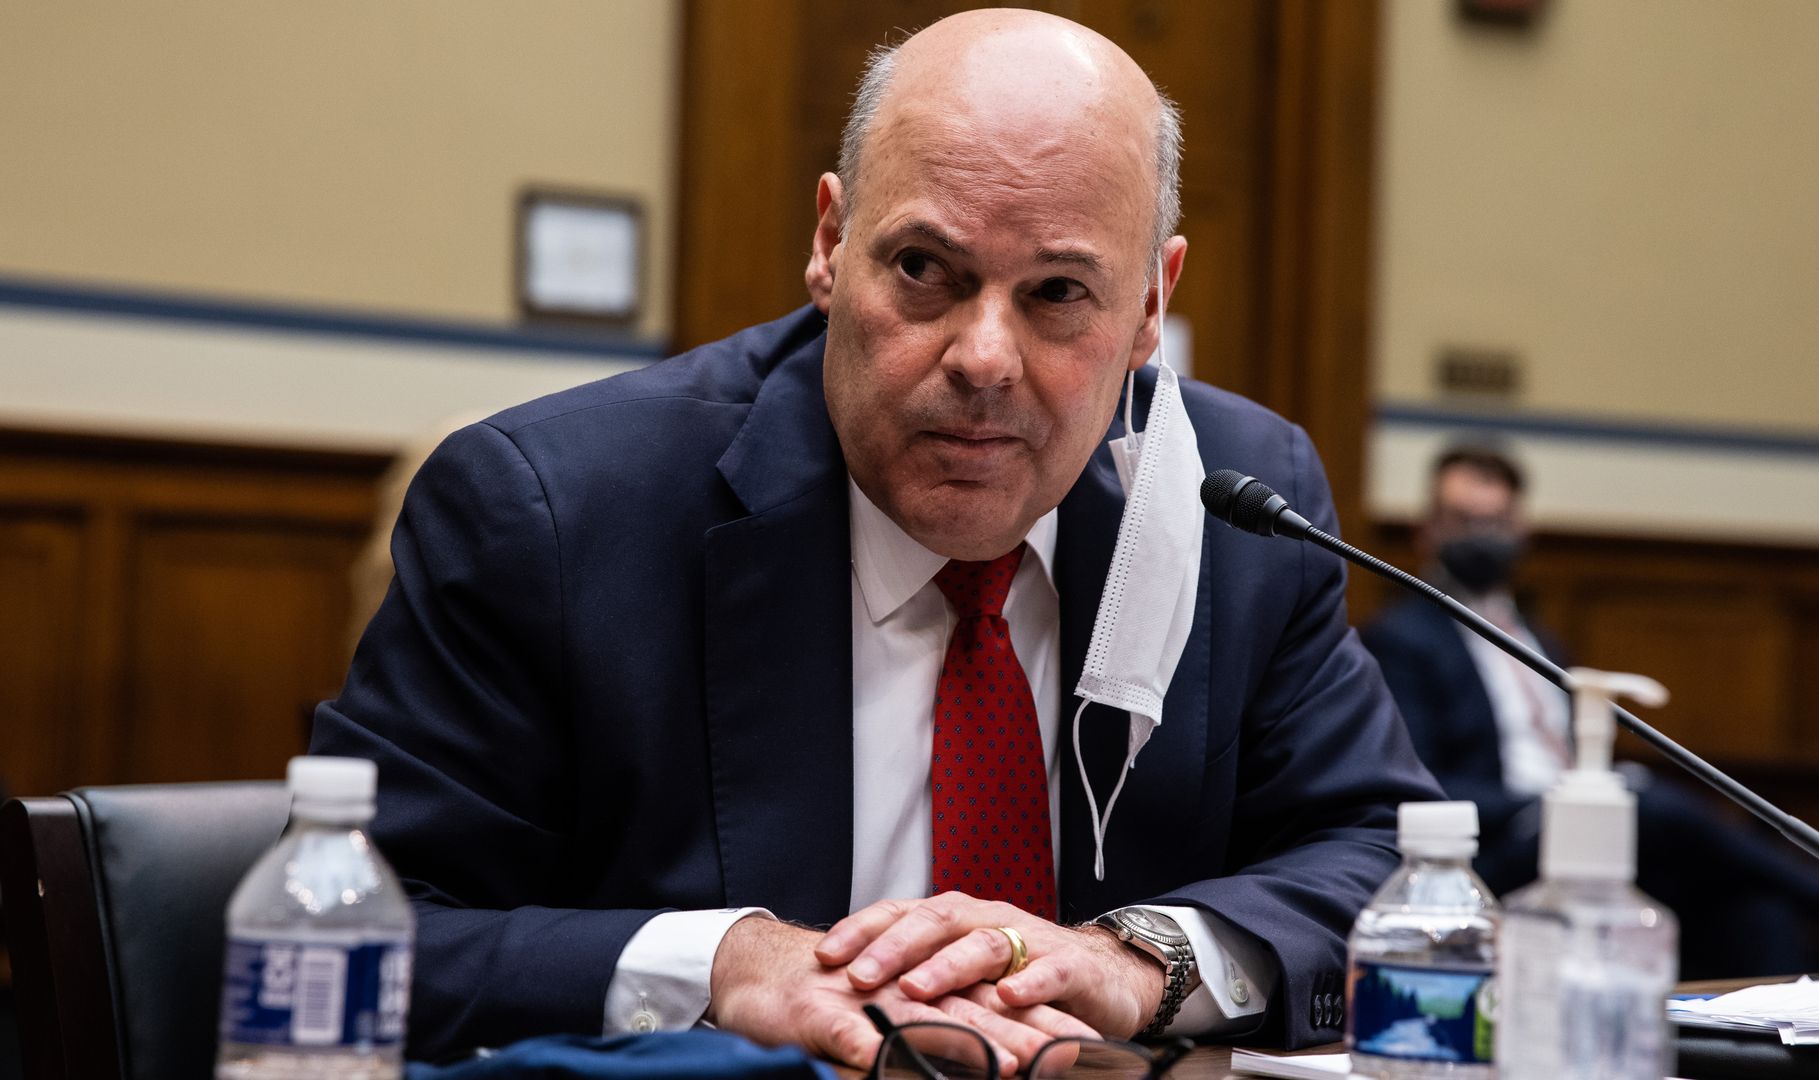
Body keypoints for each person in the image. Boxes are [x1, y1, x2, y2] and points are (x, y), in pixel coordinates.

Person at [312, 9, 1440, 1067]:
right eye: (923, 271)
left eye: (1057, 292)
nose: (984, 359)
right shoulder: (551, 514)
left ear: (1152, 303)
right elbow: (353, 928)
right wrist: (722, 966)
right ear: (829, 242)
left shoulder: (1233, 508)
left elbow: (1391, 858)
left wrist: (1137, 957)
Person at [1361, 443, 1819, 977]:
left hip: (1586, 842)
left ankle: (1793, 1043)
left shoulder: (1539, 639)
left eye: (1496, 519)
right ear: (1427, 529)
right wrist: (1552, 801)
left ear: (1522, 529)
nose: (1483, 535)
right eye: (1463, 520)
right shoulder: (1403, 639)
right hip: (1499, 847)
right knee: (1641, 798)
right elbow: (1427, 781)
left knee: (1751, 907)